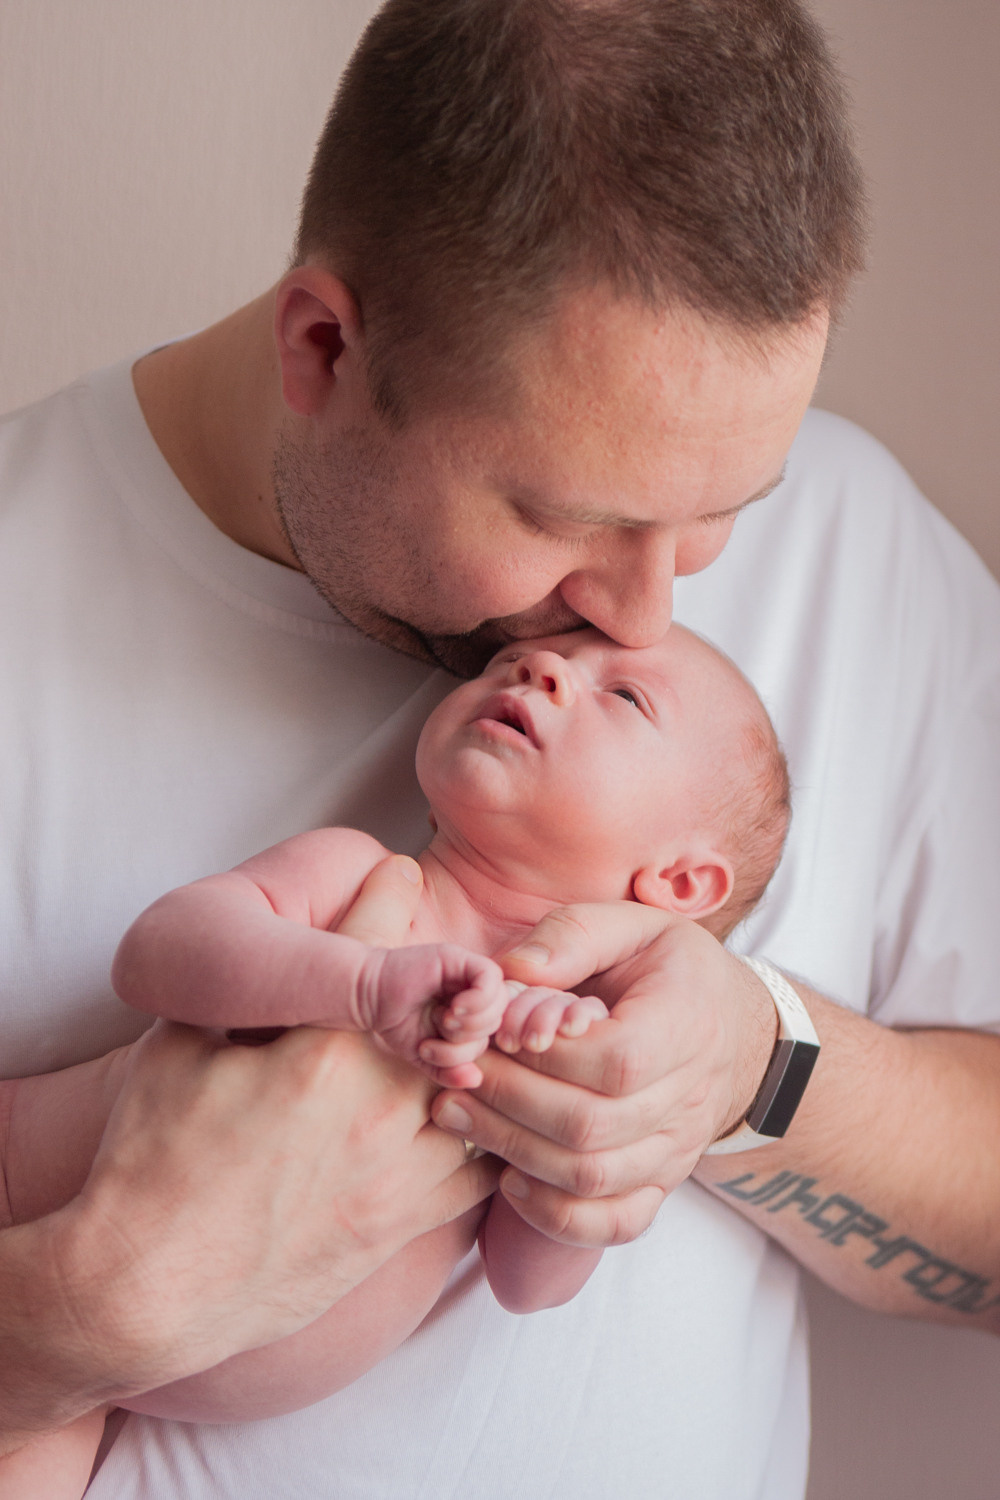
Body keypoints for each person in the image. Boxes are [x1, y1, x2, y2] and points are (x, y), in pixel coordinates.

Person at [1, 1, 997, 1497]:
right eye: (566, 516)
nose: (646, 611)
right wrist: (68, 1321)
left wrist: (756, 1075)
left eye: (730, 505)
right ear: (325, 347)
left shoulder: (860, 556)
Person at [1, 624, 790, 1494]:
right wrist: (358, 985)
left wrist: (582, 1166)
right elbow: (155, 954)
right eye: (506, 662)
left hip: (74, 1397)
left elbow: (524, 1285)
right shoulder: (365, 883)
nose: (543, 666)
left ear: (678, 883)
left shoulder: (583, 1056)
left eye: (625, 696)